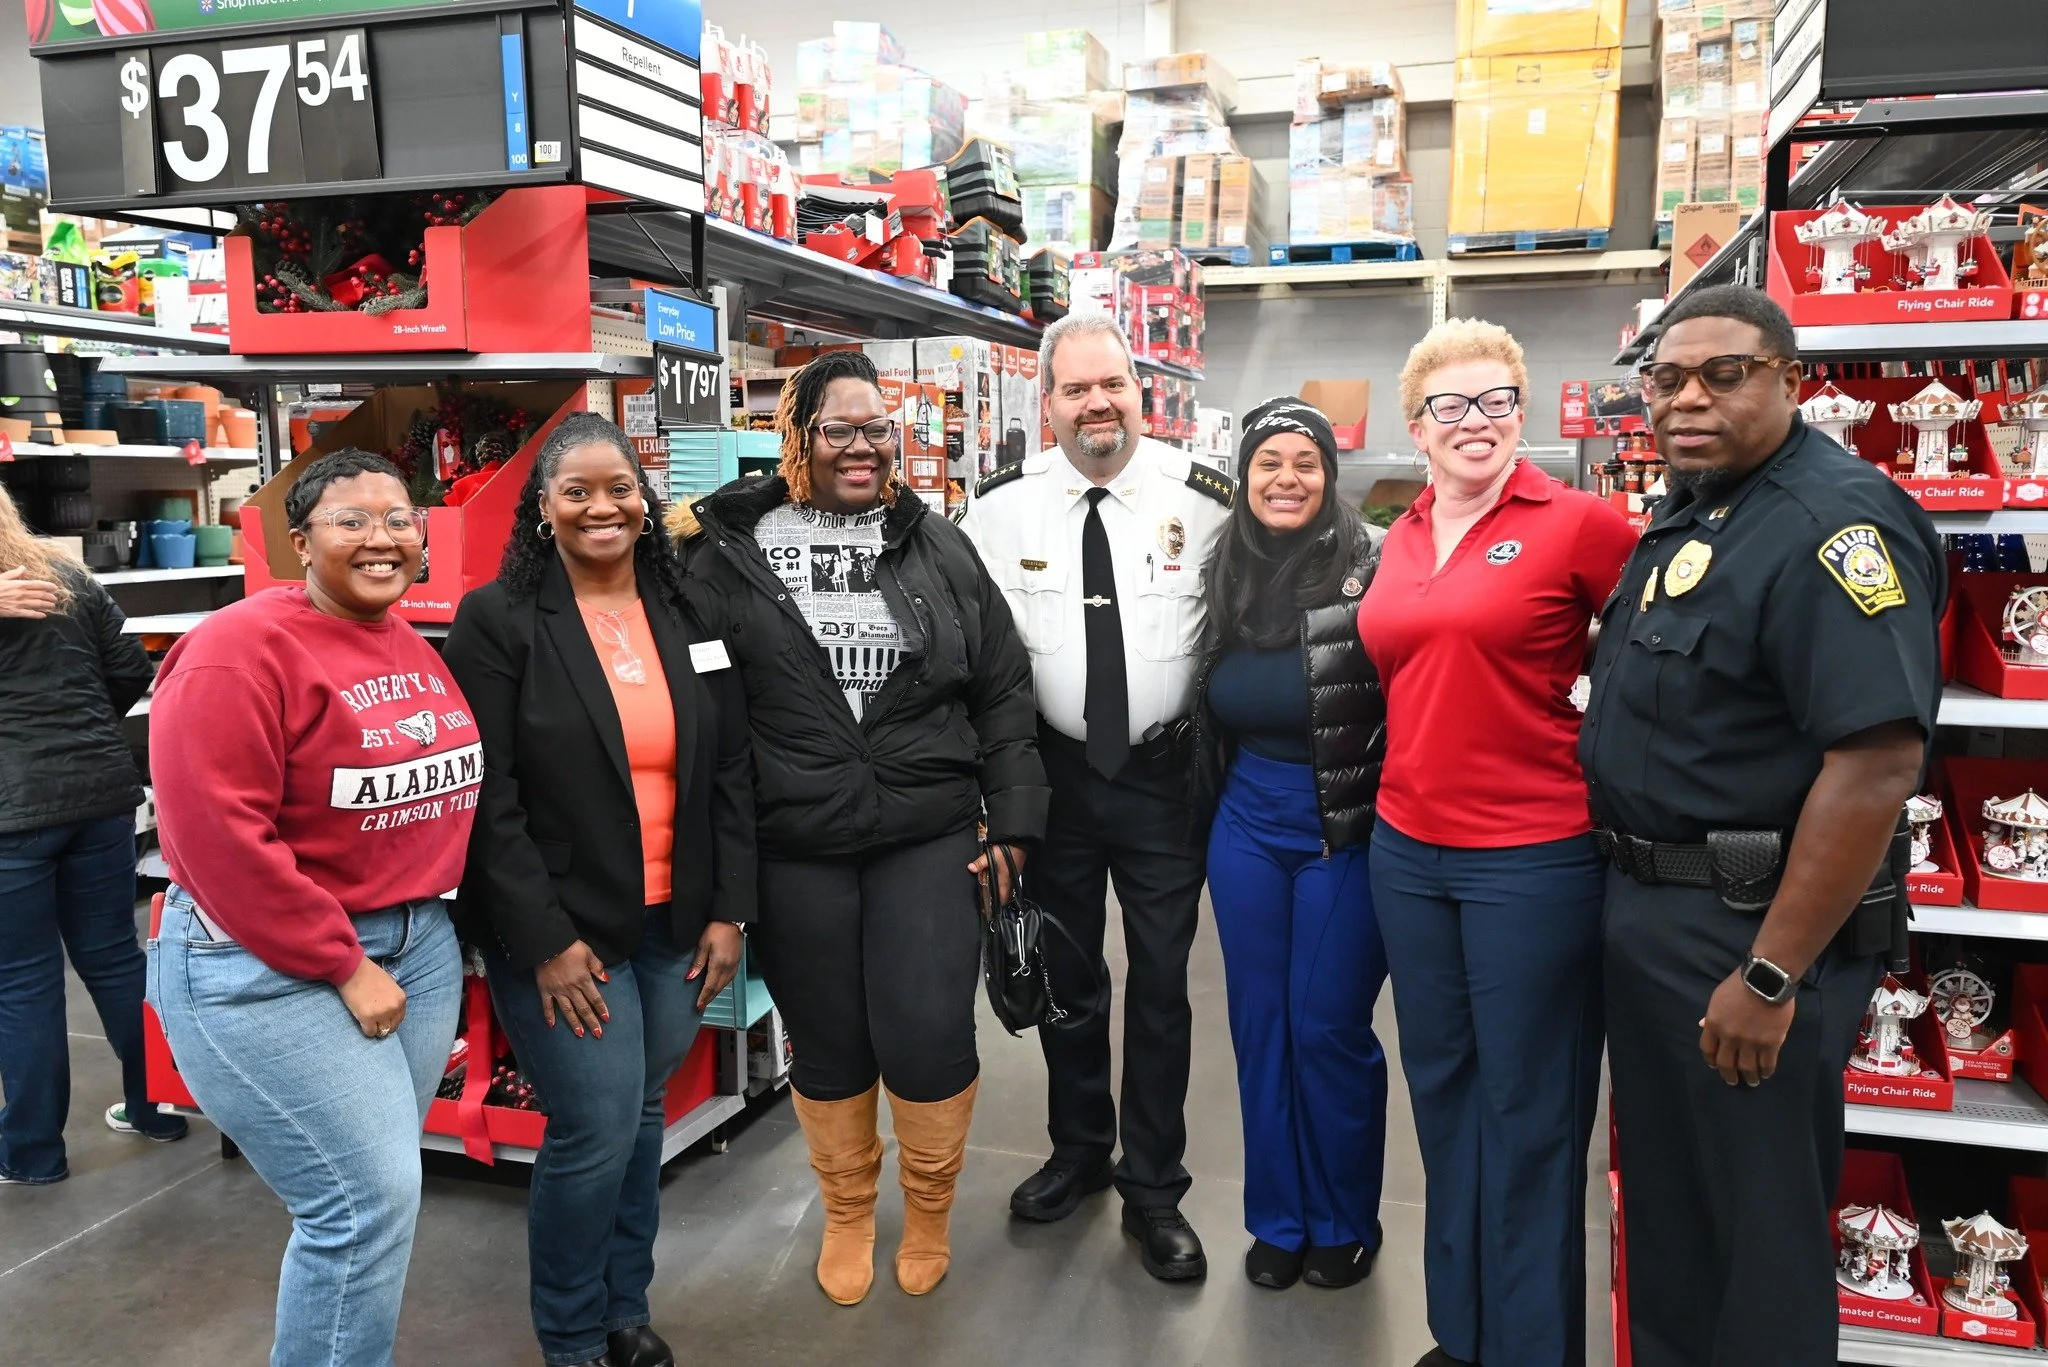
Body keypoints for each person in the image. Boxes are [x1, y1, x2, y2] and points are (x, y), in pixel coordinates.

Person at [1583, 285, 1940, 1367]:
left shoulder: (1833, 523)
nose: (1686, 398)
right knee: (1674, 1217)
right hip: (1657, 915)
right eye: (1664, 378)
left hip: (1745, 934)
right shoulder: (1699, 507)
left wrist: (1773, 974)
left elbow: (1874, 761)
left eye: (1722, 374)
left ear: (1791, 380)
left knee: (1755, 1239)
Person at [678, 350, 1046, 1306]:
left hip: (926, 832)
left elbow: (1003, 685)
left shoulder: (937, 544)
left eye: (877, 429)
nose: (862, 447)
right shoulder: (727, 554)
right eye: (838, 428)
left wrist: (1012, 818)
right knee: (829, 1038)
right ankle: (847, 1209)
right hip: (797, 839)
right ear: (795, 439)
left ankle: (927, 1211)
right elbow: (698, 710)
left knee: (927, 1034)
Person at [147, 450, 476, 1367]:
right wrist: (342, 960)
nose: (383, 537)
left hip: (413, 941)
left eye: (400, 518)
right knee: (361, 1203)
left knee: (379, 1197)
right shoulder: (235, 651)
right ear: (300, 543)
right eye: (352, 520)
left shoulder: (402, 640)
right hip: (267, 967)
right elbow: (217, 840)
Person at [444, 413, 754, 1367]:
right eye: (575, 491)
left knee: (646, 1110)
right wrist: (543, 938)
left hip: (676, 915)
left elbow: (731, 770)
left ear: (644, 498)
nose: (600, 507)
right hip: (563, 928)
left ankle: (626, 1306)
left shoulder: (688, 610)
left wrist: (729, 908)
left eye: (617, 487)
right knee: (595, 1123)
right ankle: (573, 1332)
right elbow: (486, 798)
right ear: (544, 511)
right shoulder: (498, 621)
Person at [1357, 318, 1638, 1367]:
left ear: (1519, 415)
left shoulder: (1577, 523)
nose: (1474, 423)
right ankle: (1460, 1331)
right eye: (1450, 406)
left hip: (1532, 857)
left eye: (1496, 403)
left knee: (1529, 1108)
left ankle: (1527, 1346)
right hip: (1407, 852)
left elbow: (1655, 665)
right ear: (1416, 426)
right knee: (1442, 1091)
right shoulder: (1402, 530)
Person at [958, 312, 1232, 1281]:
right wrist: (995, 799)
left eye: (1110, 383)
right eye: (1074, 390)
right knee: (1070, 977)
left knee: (1162, 984)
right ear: (1046, 405)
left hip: (1164, 778)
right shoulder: (997, 510)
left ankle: (1152, 1185)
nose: (1096, 403)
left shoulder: (1204, 499)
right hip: (1054, 779)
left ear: (1138, 388)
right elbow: (983, 669)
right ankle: (1077, 1147)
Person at [1190, 398, 1387, 1292]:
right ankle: (1279, 1218)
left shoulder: (1374, 564)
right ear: (1244, 475)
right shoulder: (1222, 564)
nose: (1286, 478)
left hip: (1342, 824)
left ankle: (1344, 1216)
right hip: (1246, 819)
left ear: (1329, 475)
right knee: (1258, 1023)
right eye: (1267, 461)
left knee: (1326, 1027)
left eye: (1304, 462)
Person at [0, 485, 186, 1185]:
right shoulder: (65, 573)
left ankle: (32, 1152)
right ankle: (156, 1104)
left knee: (22, 982)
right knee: (113, 958)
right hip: (101, 795)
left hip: (11, 815)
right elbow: (132, 670)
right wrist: (78, 735)